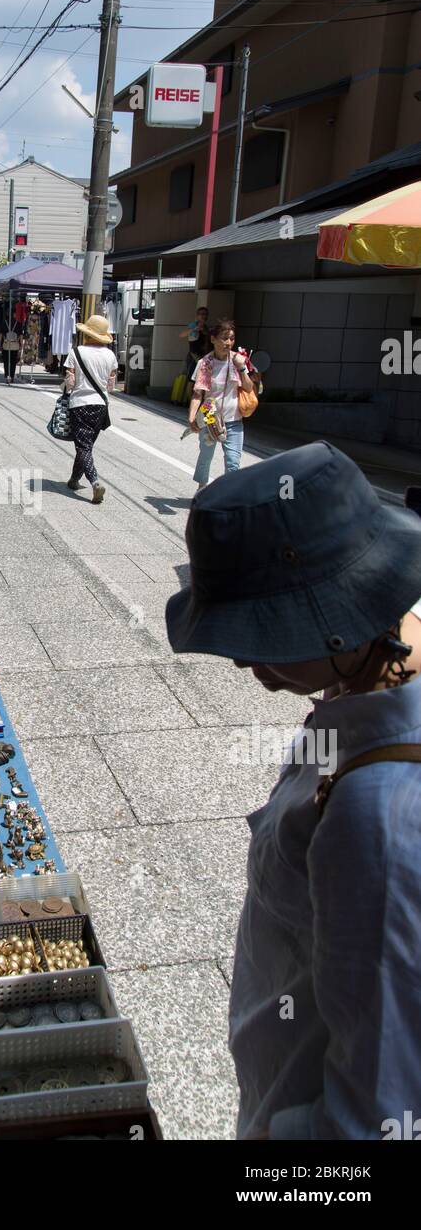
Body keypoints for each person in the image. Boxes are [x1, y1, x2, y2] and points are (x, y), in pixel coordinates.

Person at [165, 442, 421, 1140]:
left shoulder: (382, 819)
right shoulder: (377, 672)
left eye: (265, 631)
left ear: (338, 611)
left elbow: (376, 1124)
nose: (245, 657)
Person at [186, 318, 255, 490]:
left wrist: (241, 368)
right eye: (224, 338)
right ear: (213, 339)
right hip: (210, 416)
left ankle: (227, 497)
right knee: (206, 456)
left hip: (234, 419)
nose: (228, 342)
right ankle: (202, 489)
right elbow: (197, 394)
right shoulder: (205, 363)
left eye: (231, 338)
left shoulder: (239, 360)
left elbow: (248, 387)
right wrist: (192, 417)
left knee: (233, 461)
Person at [63, 313, 117, 506]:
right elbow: (111, 386)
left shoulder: (76, 352)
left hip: (80, 404)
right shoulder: (110, 355)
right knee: (86, 445)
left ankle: (95, 482)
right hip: (101, 406)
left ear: (87, 333)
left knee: (83, 446)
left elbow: (70, 383)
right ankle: (74, 480)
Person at [178, 304, 210, 379]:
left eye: (205, 314)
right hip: (194, 356)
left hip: (203, 356)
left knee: (200, 378)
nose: (203, 316)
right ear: (197, 316)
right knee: (191, 378)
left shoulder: (206, 328)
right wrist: (194, 329)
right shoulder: (193, 325)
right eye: (201, 314)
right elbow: (181, 335)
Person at [1, 319, 22, 385]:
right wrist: (21, 344)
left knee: (6, 361)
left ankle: (7, 375)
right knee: (13, 361)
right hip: (15, 345)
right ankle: (12, 376)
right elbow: (20, 334)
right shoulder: (18, 323)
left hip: (6, 344)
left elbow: (1, 334)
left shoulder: (4, 322)